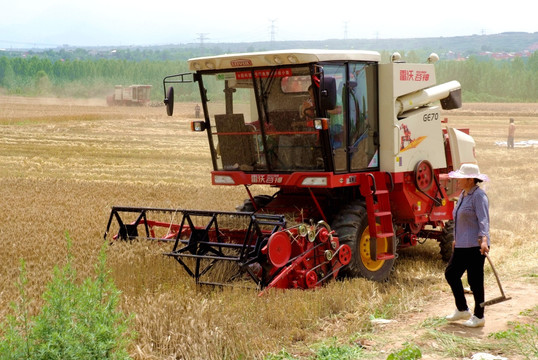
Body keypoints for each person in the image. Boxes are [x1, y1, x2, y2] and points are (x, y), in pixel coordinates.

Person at [445, 163, 490, 328]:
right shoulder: (464, 194)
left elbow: (483, 219)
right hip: (462, 244)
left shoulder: (479, 196)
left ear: (470, 179)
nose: (457, 180)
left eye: (461, 178)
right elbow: (458, 219)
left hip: (475, 244)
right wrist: (455, 239)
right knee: (451, 274)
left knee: (475, 281)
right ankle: (462, 309)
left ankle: (479, 316)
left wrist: (484, 240)